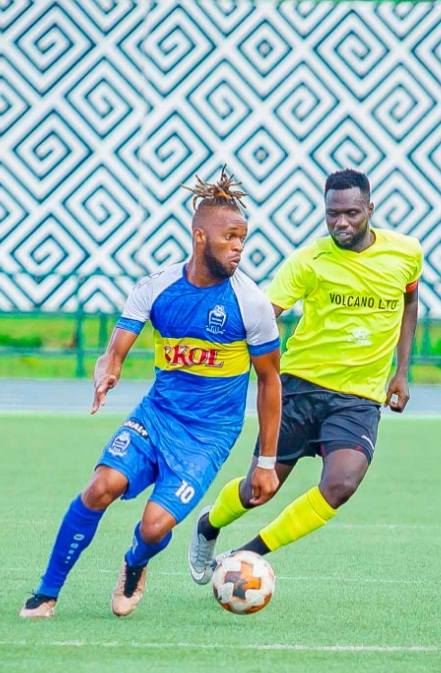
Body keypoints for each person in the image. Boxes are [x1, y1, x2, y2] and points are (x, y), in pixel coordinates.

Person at [20, 170, 282, 619]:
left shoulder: (252, 304)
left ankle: (135, 561)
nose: (239, 247)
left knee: (154, 526)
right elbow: (115, 351)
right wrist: (107, 371)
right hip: (156, 416)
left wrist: (266, 462)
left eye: (243, 238)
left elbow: (270, 381)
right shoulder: (156, 287)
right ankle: (46, 592)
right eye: (230, 238)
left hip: (208, 436)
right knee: (100, 487)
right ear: (200, 237)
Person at [189, 168, 423, 582]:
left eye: (351, 213)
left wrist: (401, 372)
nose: (341, 223)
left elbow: (409, 303)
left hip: (358, 399)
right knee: (258, 490)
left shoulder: (406, 253)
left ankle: (245, 555)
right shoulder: (308, 261)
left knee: (341, 485)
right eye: (332, 214)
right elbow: (264, 317)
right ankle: (209, 524)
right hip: (299, 389)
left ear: (370, 209)